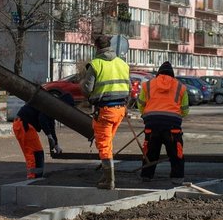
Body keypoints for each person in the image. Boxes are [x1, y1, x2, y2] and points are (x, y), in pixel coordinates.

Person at [80, 34, 130, 189]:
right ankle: (106, 176)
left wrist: (81, 84)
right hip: (120, 110)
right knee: (108, 143)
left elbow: (87, 89)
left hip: (105, 111)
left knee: (103, 144)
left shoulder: (95, 64)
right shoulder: (122, 64)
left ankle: (109, 181)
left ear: (97, 47)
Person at [137, 61, 189, 184]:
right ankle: (177, 178)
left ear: (158, 73)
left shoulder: (147, 86)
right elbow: (185, 110)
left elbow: (140, 104)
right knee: (176, 152)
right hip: (172, 126)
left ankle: (146, 176)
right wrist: (176, 117)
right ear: (172, 74)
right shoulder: (181, 87)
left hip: (152, 123)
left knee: (150, 151)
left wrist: (147, 116)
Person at [13, 93, 74, 179]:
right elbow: (42, 119)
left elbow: (51, 125)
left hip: (23, 124)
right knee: (34, 153)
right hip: (24, 125)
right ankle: (33, 177)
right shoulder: (51, 104)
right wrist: (49, 136)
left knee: (37, 153)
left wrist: (56, 144)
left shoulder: (52, 104)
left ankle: (36, 176)